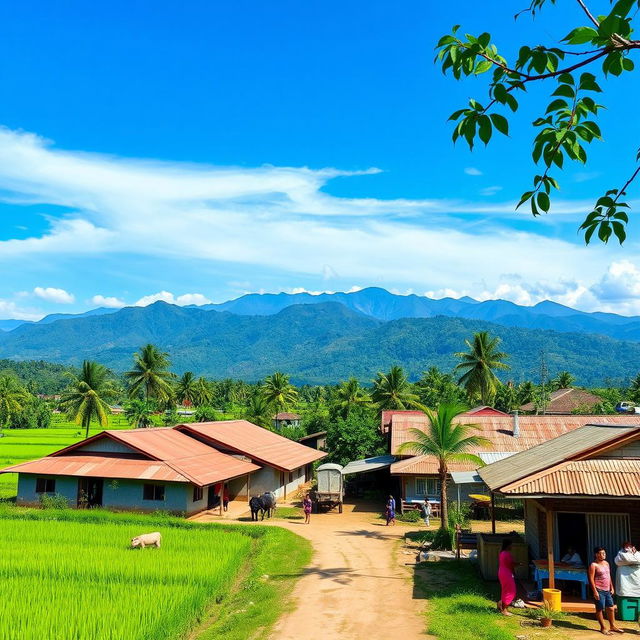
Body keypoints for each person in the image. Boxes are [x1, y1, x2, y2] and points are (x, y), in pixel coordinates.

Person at [588, 547, 624, 635]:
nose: (604, 555)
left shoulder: (606, 563)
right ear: (596, 554)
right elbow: (591, 579)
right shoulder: (593, 565)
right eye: (601, 553)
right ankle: (603, 628)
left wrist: (612, 587)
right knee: (600, 609)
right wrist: (595, 591)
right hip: (599, 590)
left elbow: (609, 576)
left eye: (604, 553)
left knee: (611, 608)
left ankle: (612, 626)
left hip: (607, 590)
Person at [497, 538, 518, 616]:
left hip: (502, 572)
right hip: (507, 574)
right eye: (511, 545)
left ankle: (500, 605)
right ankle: (504, 610)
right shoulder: (507, 554)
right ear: (508, 545)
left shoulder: (502, 553)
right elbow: (511, 565)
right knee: (510, 591)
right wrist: (518, 564)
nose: (512, 547)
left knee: (505, 590)